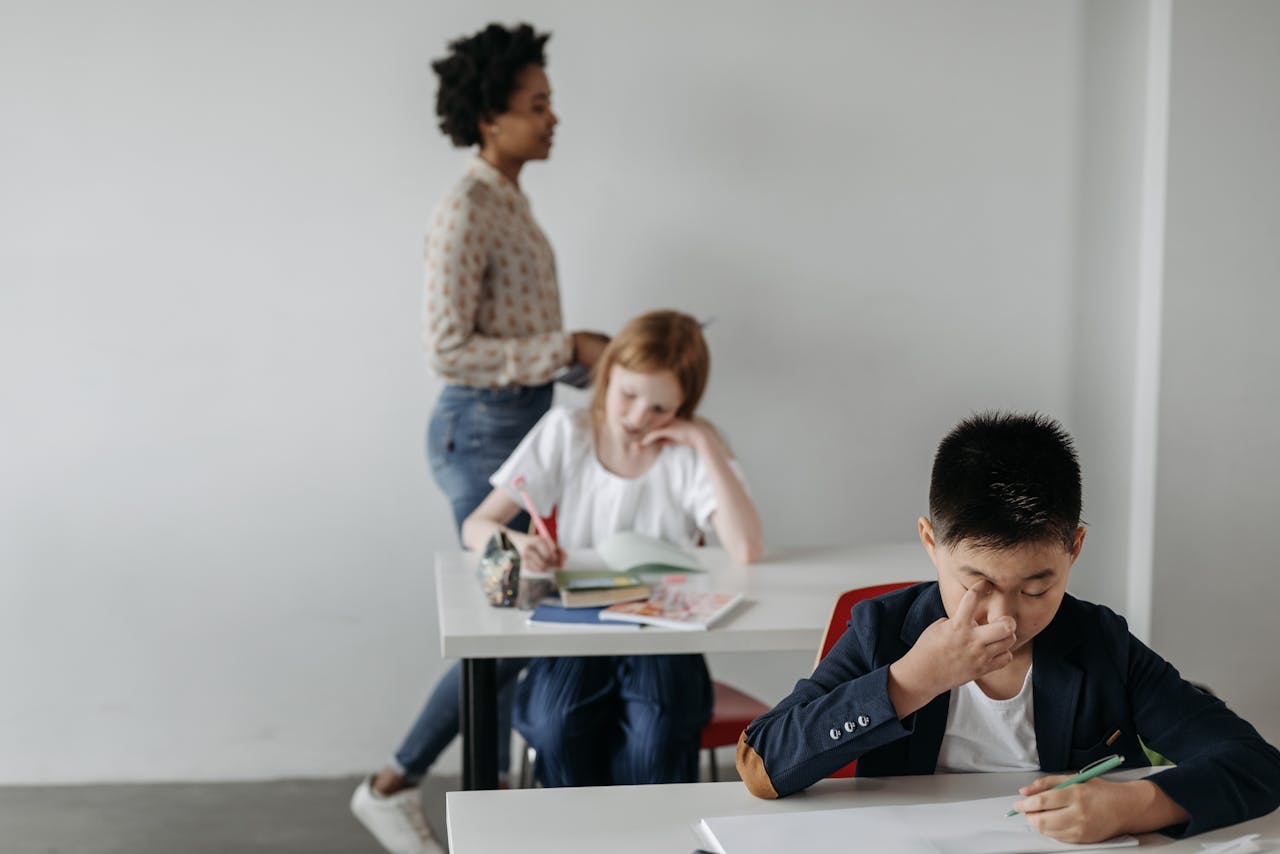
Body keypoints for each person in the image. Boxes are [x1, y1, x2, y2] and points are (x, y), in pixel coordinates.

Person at [736, 412, 1280, 843]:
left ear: (1075, 550)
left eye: (1036, 589)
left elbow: (1256, 764)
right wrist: (910, 681)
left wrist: (1133, 807)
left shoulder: (1099, 644)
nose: (1004, 617)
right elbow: (761, 766)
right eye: (976, 584)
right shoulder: (884, 631)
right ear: (930, 543)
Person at [351, 22, 607, 854]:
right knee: (502, 622)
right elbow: (446, 347)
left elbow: (508, 335)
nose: (553, 118)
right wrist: (565, 350)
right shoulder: (466, 205)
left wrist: (587, 358)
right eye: (538, 105)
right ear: (491, 118)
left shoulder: (509, 199)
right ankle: (396, 787)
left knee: (521, 617)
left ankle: (477, 800)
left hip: (522, 424)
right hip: (480, 431)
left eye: (551, 102)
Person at [462, 309, 765, 788]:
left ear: (684, 406)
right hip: (574, 630)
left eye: (662, 409)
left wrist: (704, 441)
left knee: (656, 732)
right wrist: (518, 543)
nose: (638, 418)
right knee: (555, 723)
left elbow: (746, 547)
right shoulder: (568, 431)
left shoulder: (686, 453)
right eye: (628, 395)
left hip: (664, 636)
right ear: (607, 376)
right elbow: (476, 526)